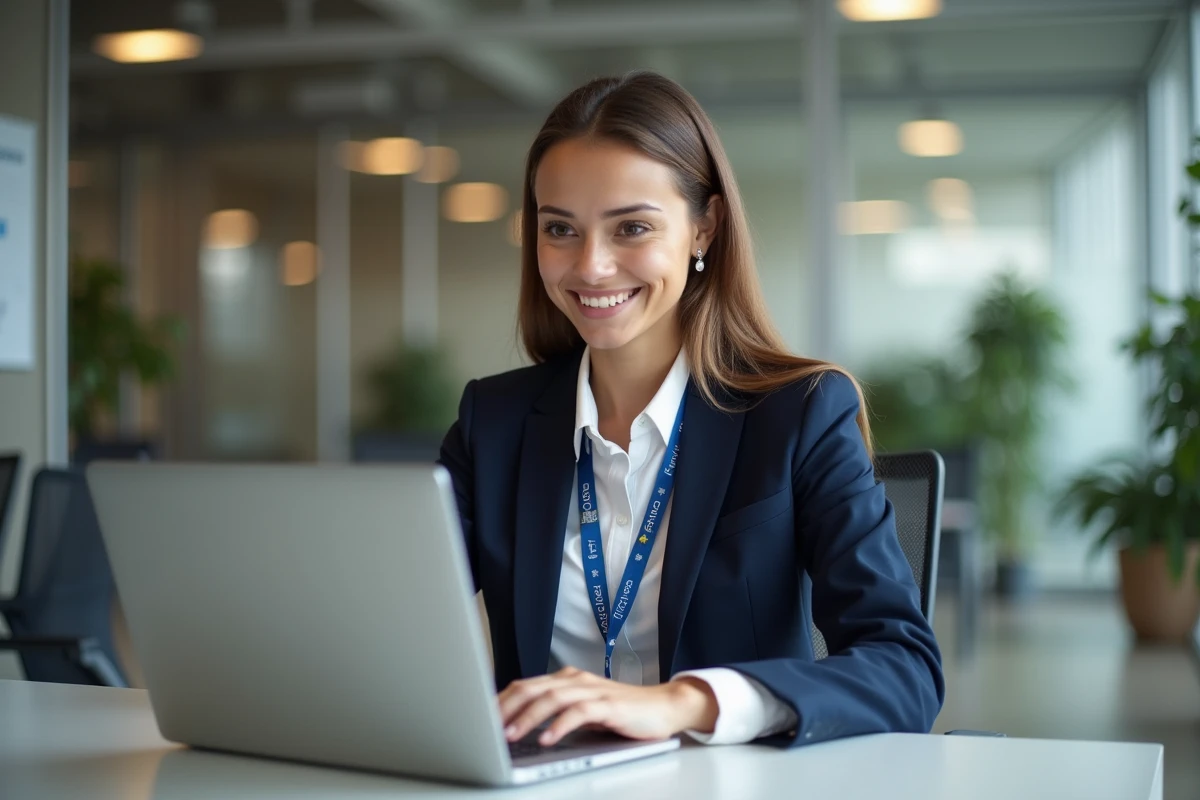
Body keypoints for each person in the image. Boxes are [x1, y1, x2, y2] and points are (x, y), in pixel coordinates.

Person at [438, 72, 943, 750]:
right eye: (560, 228)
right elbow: (388, 621)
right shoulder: (491, 423)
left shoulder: (799, 416)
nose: (591, 266)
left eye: (632, 227)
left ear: (703, 228)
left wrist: (686, 702)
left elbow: (905, 669)